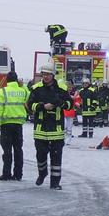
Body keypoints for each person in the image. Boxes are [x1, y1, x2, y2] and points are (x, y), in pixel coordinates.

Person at [27, 60, 71, 189]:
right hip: (40, 128)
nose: (45, 77)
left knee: (56, 158)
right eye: (44, 74)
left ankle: (55, 182)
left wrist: (61, 103)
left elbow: (70, 104)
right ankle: (42, 173)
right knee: (40, 155)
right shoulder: (36, 89)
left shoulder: (62, 89)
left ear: (53, 75)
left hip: (56, 129)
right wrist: (42, 106)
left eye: (48, 74)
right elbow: (30, 105)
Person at [0, 71, 29, 181]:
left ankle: (6, 173)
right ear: (16, 80)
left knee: (7, 151)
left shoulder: (2, 92)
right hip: (18, 126)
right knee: (18, 150)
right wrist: (23, 86)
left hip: (6, 125)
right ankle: (18, 174)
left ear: (7, 80)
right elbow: (29, 95)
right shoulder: (22, 91)